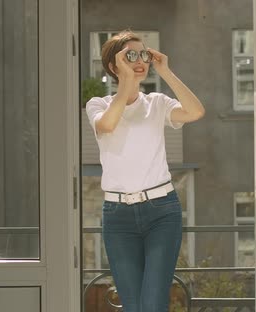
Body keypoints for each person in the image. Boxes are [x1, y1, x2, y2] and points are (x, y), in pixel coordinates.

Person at [85, 30, 205, 312]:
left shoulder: (157, 103)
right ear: (114, 66)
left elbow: (195, 112)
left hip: (162, 212)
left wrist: (166, 71)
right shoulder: (99, 105)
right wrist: (126, 80)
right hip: (118, 217)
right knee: (134, 305)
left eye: (143, 54)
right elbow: (107, 126)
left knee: (152, 304)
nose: (139, 60)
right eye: (130, 55)